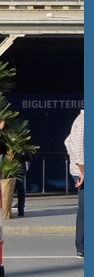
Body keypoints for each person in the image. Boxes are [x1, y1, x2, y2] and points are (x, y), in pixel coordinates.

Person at [64, 109, 84, 258]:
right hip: (83, 172)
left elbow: (68, 142)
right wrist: (83, 171)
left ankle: (82, 246)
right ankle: (82, 246)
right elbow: (78, 149)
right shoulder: (84, 121)